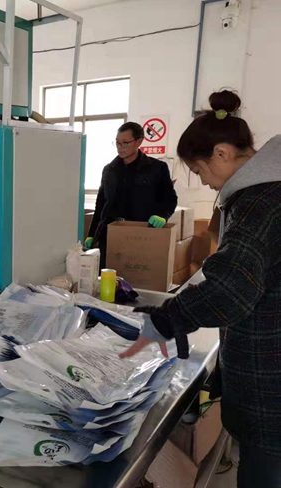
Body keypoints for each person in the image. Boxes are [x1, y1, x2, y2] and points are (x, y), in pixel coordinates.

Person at [120, 90, 281, 487]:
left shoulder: (259, 202)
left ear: (222, 153)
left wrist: (165, 320)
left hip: (270, 382)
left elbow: (230, 288)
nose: (205, 182)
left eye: (200, 170)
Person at [86, 122, 178, 268]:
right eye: (117, 143)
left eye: (125, 143)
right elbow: (101, 203)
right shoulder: (109, 170)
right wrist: (92, 234)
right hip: (110, 233)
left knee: (135, 274)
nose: (120, 147)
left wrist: (163, 215)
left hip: (140, 233)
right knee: (106, 274)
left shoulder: (156, 168)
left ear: (138, 141)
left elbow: (169, 198)